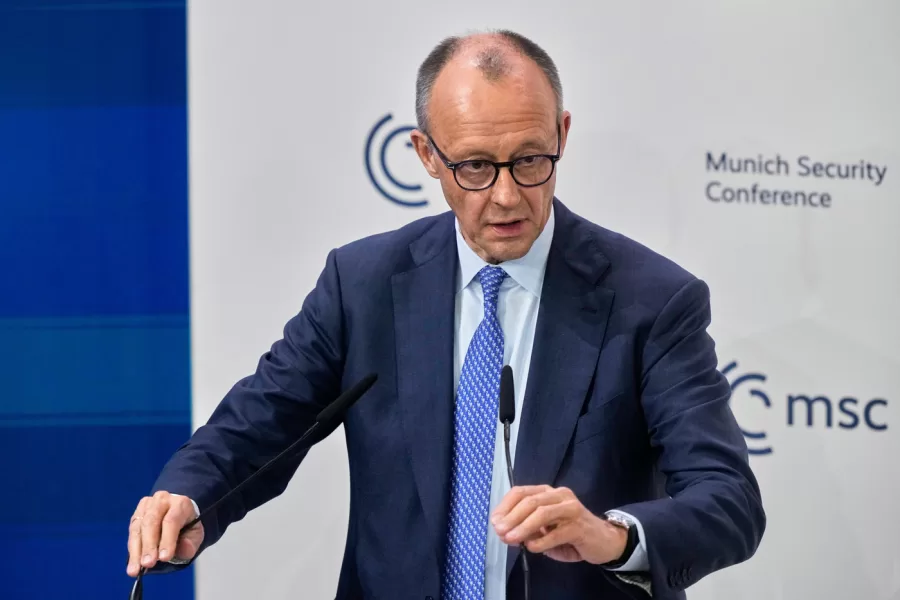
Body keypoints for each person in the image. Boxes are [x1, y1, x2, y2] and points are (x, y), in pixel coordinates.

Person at [126, 30, 765, 599]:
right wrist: (188, 497)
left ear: (563, 135)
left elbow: (729, 500)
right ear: (428, 156)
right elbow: (261, 423)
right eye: (476, 167)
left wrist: (612, 537)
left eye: (531, 160)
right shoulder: (364, 285)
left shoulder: (651, 300)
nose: (508, 195)